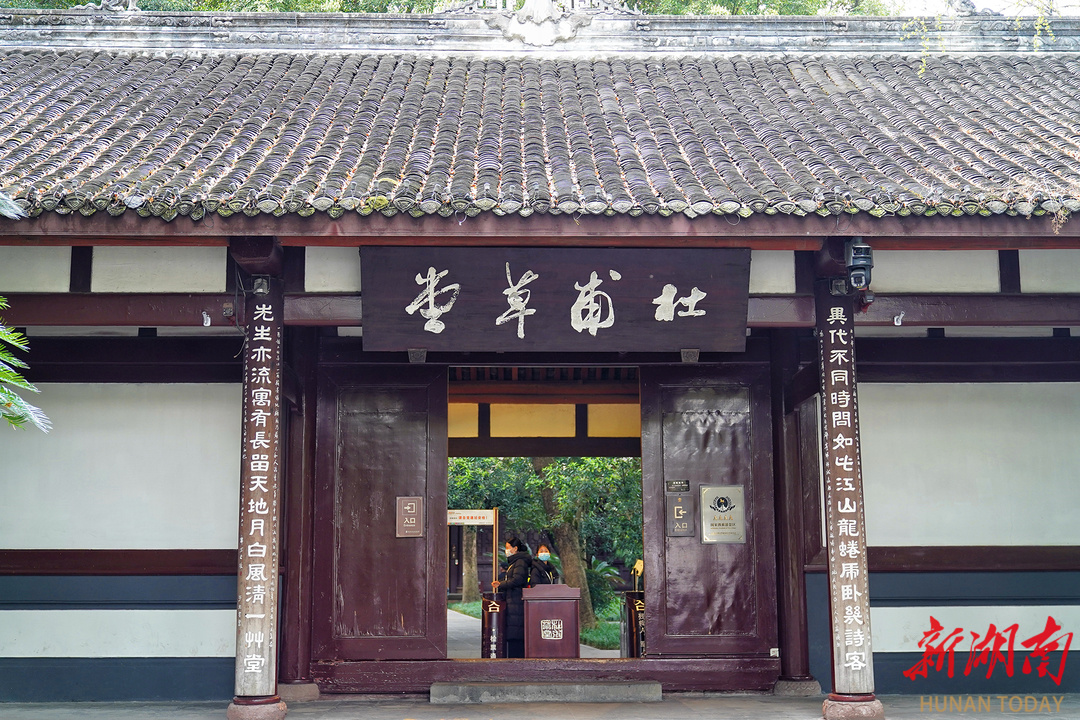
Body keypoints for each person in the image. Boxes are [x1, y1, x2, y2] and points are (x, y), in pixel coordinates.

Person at [491, 536, 531, 658]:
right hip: (512, 601)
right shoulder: (514, 562)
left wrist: (501, 584)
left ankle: (516, 660)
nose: (506, 550)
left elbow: (518, 580)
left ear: (515, 548)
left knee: (516, 634)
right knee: (513, 632)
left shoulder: (520, 562)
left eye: (508, 548)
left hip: (516, 601)